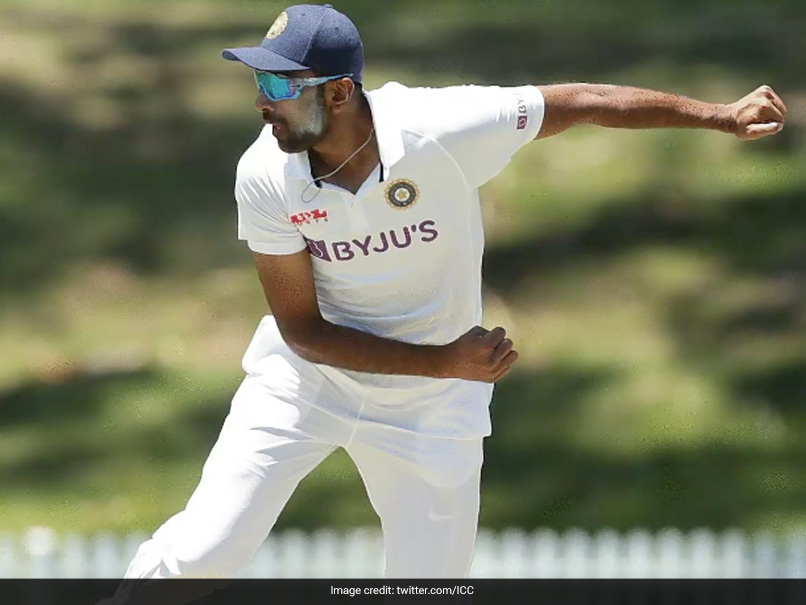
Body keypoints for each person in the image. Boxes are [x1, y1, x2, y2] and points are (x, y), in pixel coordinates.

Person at [109, 2, 787, 600]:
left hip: (432, 411)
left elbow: (579, 100)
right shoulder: (265, 173)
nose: (263, 101)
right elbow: (304, 330)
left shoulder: (443, 128)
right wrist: (444, 360)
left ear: (340, 92)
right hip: (309, 382)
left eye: (280, 83)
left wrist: (719, 116)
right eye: (259, 80)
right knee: (205, 552)